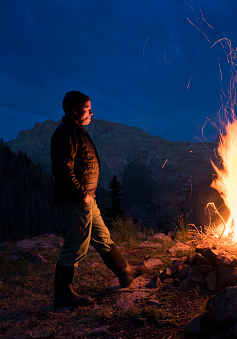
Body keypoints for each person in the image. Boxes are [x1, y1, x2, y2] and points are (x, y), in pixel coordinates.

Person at [50, 91, 146, 308]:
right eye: (87, 108)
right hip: (76, 201)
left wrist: (87, 196)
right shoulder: (66, 133)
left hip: (86, 200)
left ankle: (125, 272)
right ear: (75, 110)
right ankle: (62, 293)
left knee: (102, 237)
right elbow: (62, 170)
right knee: (76, 245)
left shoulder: (75, 130)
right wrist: (82, 195)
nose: (91, 112)